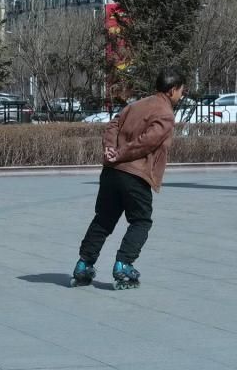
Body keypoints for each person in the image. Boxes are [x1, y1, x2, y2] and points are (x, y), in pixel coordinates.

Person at [70, 67, 186, 289]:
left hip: (111, 172)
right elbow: (147, 142)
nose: (182, 94)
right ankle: (123, 264)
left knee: (104, 219)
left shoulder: (136, 104)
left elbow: (113, 125)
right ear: (172, 90)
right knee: (141, 220)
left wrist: (110, 149)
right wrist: (120, 153)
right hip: (135, 174)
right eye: (181, 90)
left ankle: (83, 264)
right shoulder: (165, 113)